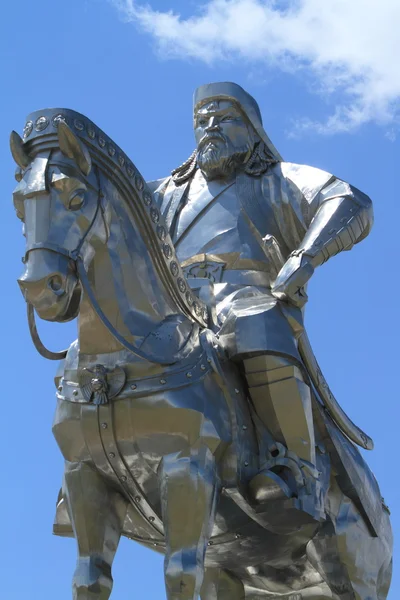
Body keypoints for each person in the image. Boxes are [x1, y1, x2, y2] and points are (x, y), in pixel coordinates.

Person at [148, 82, 373, 516]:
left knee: (254, 317)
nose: (210, 128)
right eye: (202, 121)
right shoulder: (164, 194)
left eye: (225, 118)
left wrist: (305, 257)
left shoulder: (276, 179)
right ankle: (94, 467)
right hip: (172, 307)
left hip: (243, 296)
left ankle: (296, 468)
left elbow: (349, 201)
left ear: (251, 129)